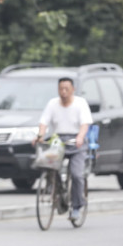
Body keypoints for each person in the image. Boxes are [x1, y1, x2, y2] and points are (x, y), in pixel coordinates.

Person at [34, 77, 92, 222]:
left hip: (76, 142)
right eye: (61, 89)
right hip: (58, 141)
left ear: (73, 90)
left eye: (67, 89)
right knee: (47, 165)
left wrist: (80, 137)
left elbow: (85, 124)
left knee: (77, 174)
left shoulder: (80, 103)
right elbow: (44, 122)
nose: (64, 92)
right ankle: (56, 192)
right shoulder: (52, 104)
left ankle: (77, 206)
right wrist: (40, 135)